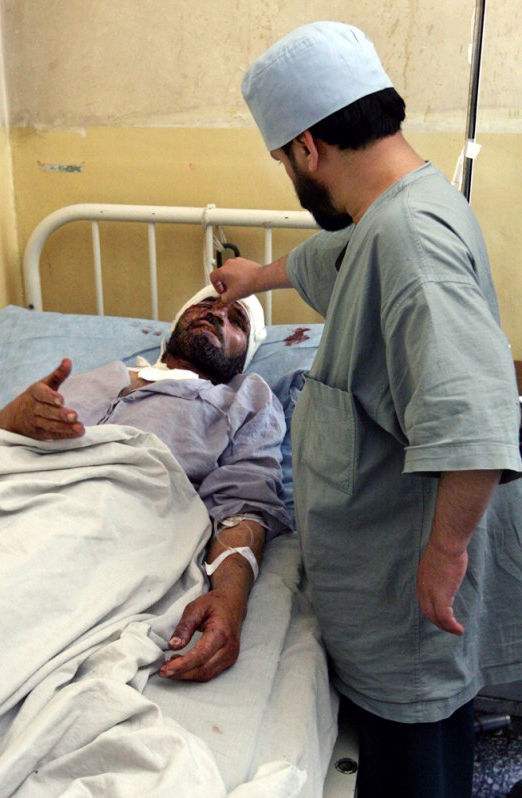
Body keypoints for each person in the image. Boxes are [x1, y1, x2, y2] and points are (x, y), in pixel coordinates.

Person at [209, 21, 522, 798]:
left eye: (285, 161)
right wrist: (255, 277)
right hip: (384, 588)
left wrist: (444, 554)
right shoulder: (395, 212)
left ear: (307, 148)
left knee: (418, 771)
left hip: (407, 596)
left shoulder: (410, 242)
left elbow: (479, 420)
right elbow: (331, 259)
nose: (291, 174)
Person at [0, 285, 291, 685]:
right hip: (9, 497)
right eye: (206, 304)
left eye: (237, 320)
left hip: (116, 521)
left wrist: (231, 597)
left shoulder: (245, 399)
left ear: (244, 355)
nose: (217, 314)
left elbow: (244, 507)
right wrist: (12, 418)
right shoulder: (90, 379)